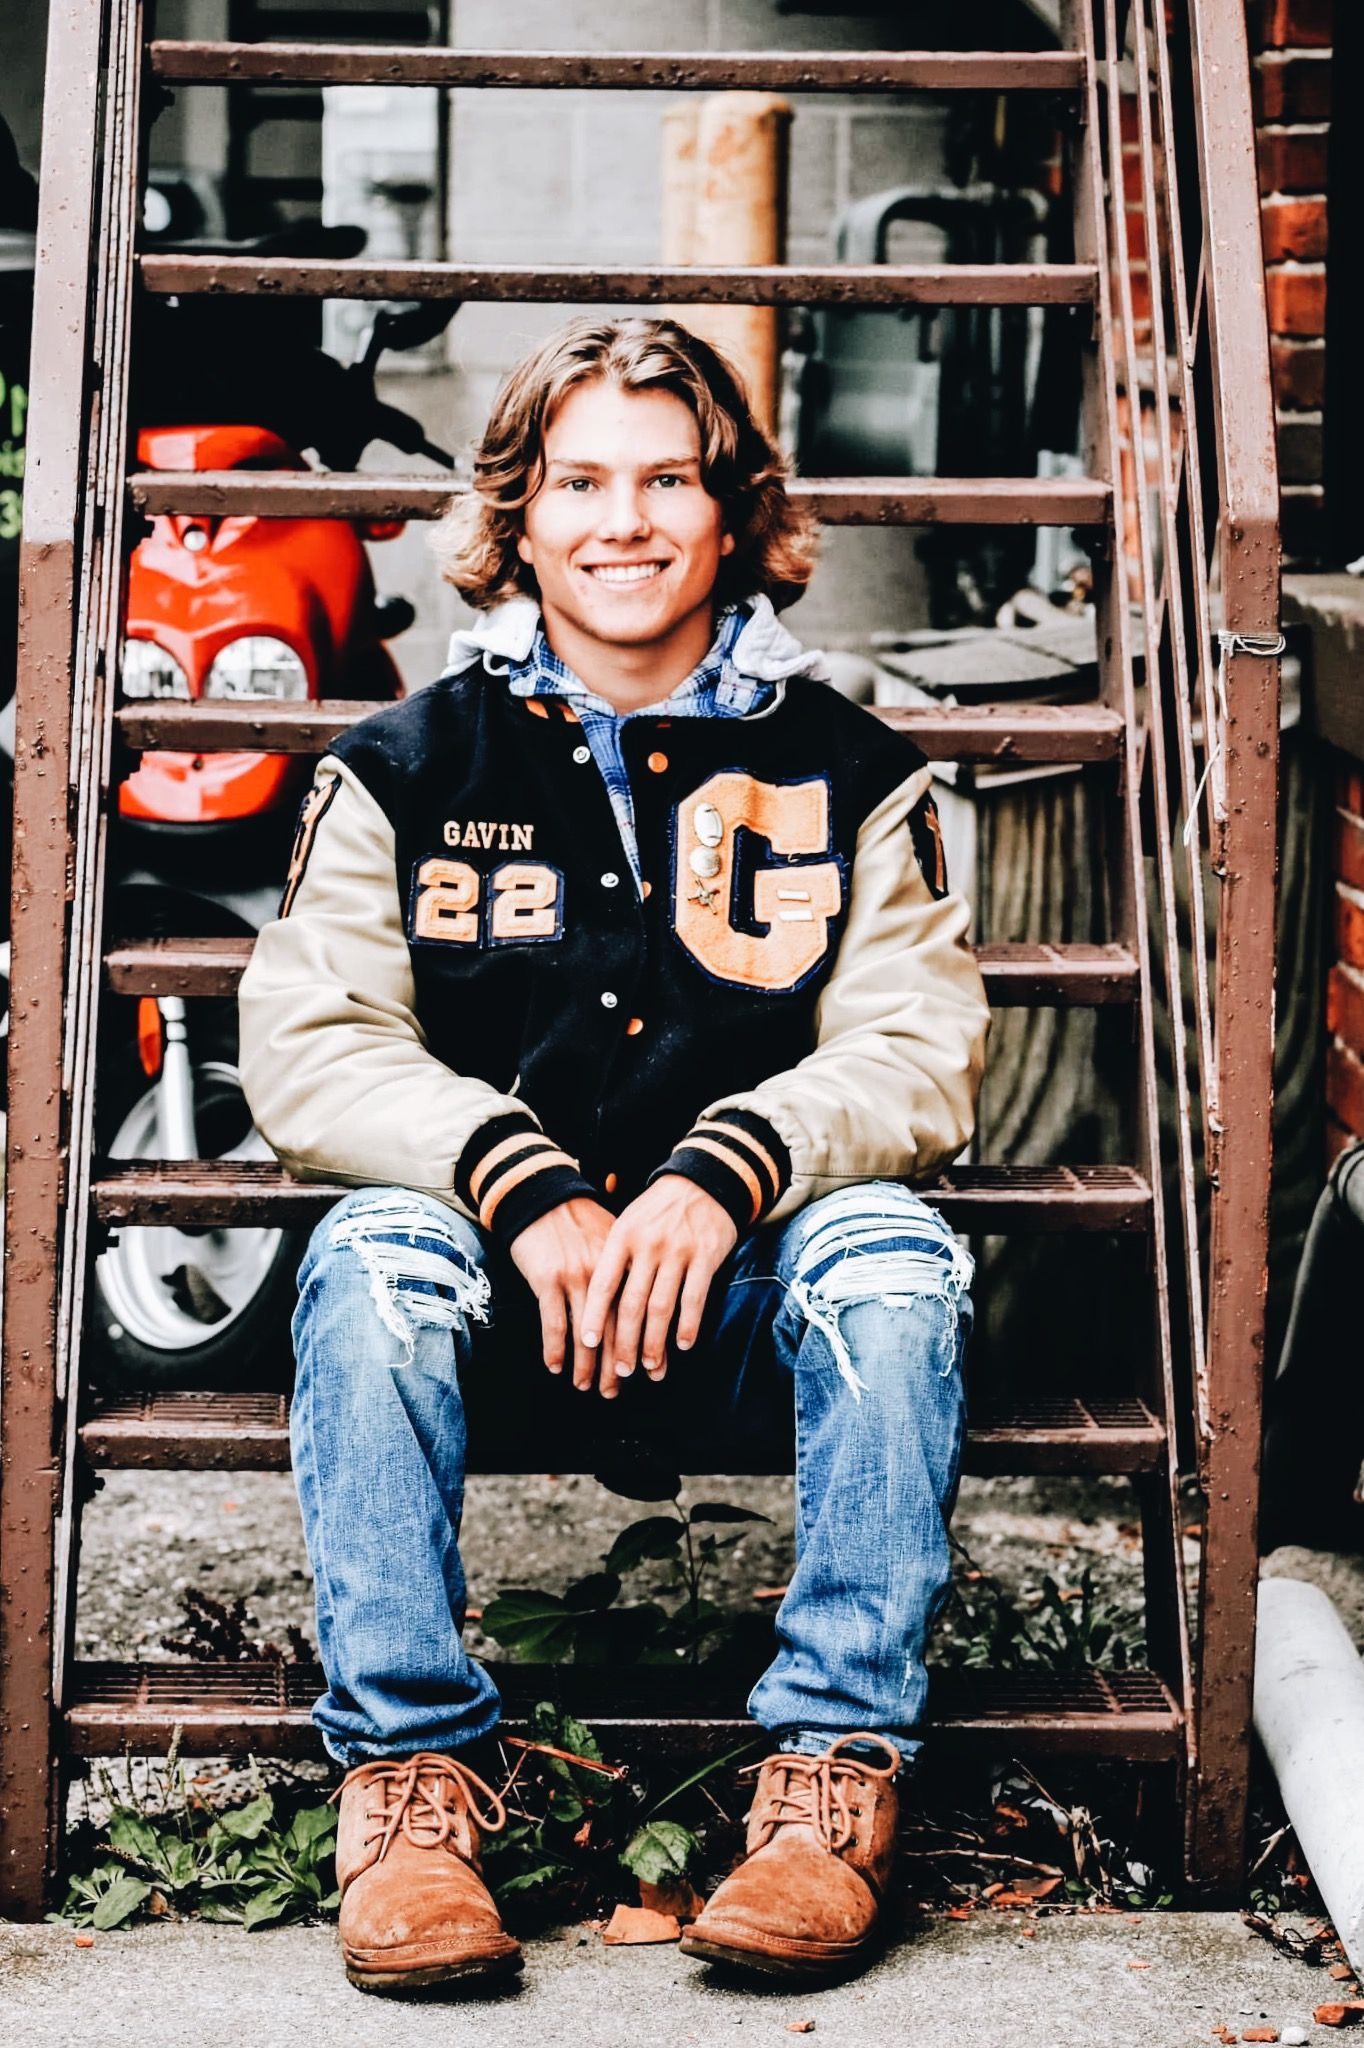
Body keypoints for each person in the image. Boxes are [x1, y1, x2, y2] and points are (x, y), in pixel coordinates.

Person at [239, 315, 990, 1996]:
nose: (624, 520)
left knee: (897, 1260)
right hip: (492, 1313)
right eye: (579, 480)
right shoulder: (405, 765)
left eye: (668, 479)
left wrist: (723, 1171)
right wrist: (523, 1180)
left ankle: (829, 1783)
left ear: (735, 514)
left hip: (745, 1310)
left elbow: (917, 1046)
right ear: (516, 514)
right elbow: (307, 1039)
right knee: (369, 1261)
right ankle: (412, 1788)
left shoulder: (848, 768)